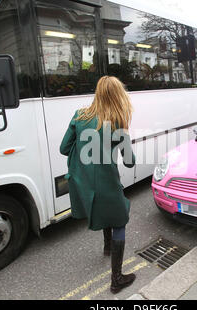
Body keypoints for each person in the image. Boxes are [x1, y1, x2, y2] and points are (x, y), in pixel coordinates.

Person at [60, 76, 136, 294]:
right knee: (119, 219)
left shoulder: (79, 115)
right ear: (118, 96)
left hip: (83, 180)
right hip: (106, 180)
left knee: (105, 207)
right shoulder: (117, 122)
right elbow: (130, 161)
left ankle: (107, 247)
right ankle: (117, 279)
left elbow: (64, 148)